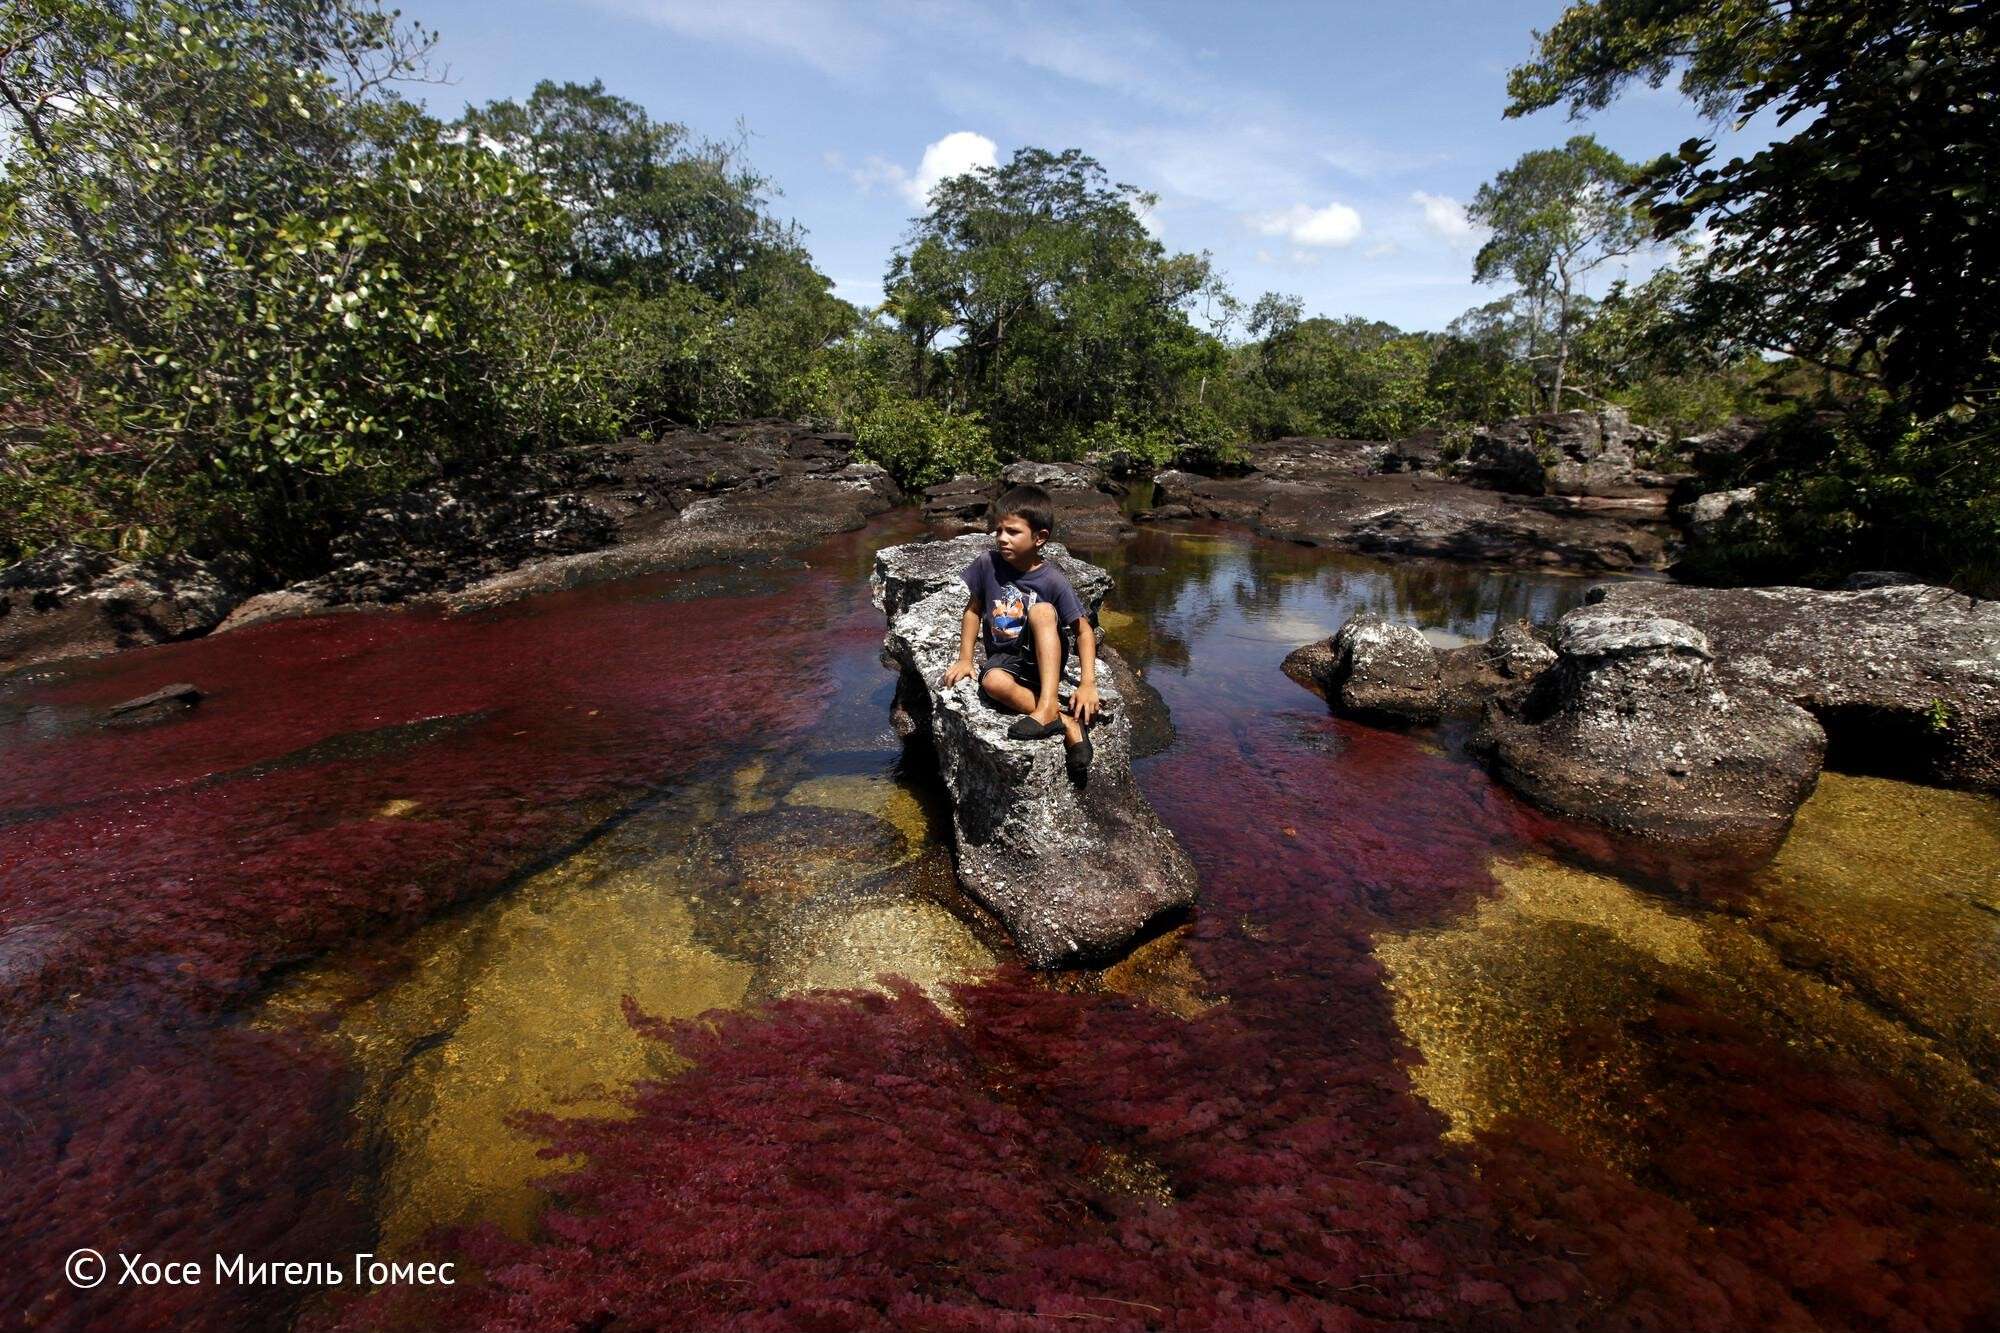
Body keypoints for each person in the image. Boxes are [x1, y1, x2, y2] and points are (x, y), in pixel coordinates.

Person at [941, 483, 1101, 779]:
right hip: (1006, 659)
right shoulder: (987, 564)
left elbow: (1084, 631)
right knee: (993, 684)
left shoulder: (1052, 579)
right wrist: (965, 658)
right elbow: (974, 609)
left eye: (1013, 532)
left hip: (1044, 658)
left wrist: (1087, 683)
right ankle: (1064, 722)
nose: (1002, 538)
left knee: (1041, 610)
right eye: (999, 530)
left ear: (1040, 538)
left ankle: (1046, 705)